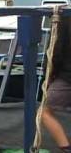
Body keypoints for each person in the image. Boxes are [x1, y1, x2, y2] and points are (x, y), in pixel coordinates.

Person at [42, 17, 71, 153]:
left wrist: (48, 75)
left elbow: (55, 50)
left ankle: (65, 148)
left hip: (67, 77)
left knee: (44, 112)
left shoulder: (65, 18)